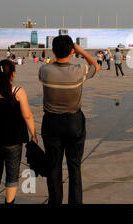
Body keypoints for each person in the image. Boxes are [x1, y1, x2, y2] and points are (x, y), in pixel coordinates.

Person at [38, 35, 100, 204]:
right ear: (72, 51)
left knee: (54, 166)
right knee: (74, 166)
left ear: (53, 51)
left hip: (51, 123)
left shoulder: (45, 70)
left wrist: (58, 56)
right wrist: (82, 52)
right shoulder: (79, 70)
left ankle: (55, 201)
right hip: (74, 122)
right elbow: (96, 66)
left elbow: (47, 66)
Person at [0, 59, 37, 205]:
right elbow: (27, 115)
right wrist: (34, 135)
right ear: (13, 75)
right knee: (12, 173)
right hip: (13, 139)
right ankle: (9, 202)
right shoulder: (18, 91)